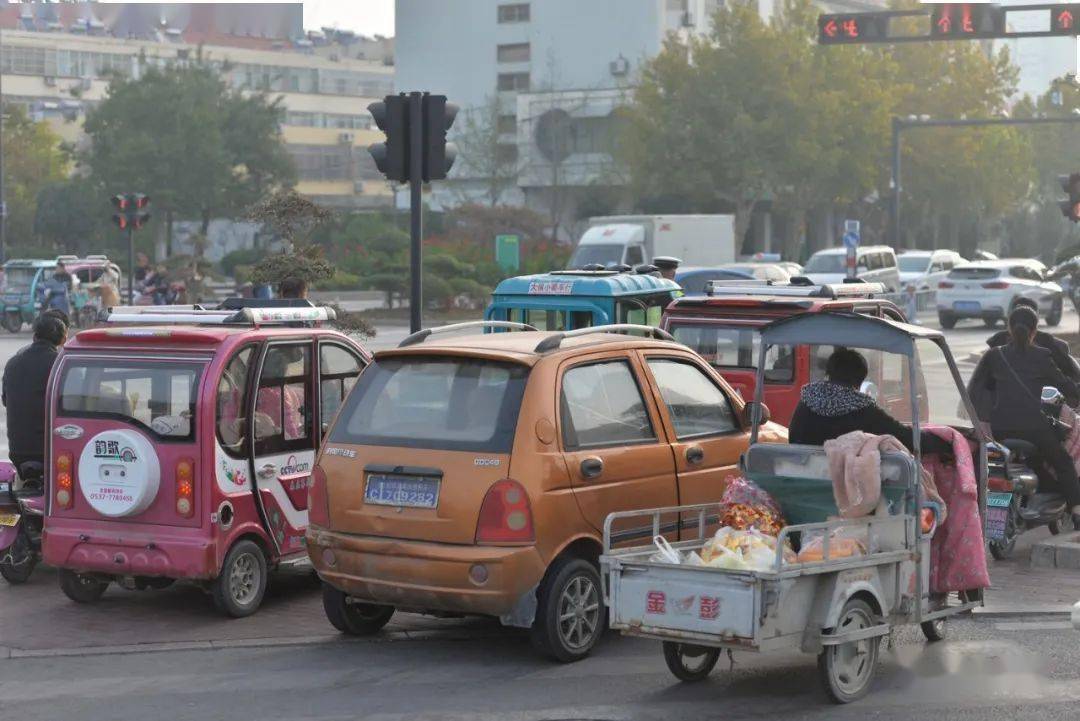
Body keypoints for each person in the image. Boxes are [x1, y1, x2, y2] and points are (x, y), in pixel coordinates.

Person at [969, 306, 1080, 525]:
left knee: (995, 466)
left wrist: (987, 414)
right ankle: (1077, 510)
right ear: (1034, 330)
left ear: (1009, 328)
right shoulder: (1042, 356)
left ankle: (994, 512)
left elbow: (974, 391)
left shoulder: (994, 355)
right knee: (1063, 463)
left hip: (1000, 430)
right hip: (1036, 430)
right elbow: (1066, 386)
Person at [789, 347, 952, 455]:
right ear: (860, 380)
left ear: (829, 373)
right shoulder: (862, 409)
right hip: (849, 486)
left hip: (804, 479)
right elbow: (906, 438)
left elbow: (793, 438)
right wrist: (948, 442)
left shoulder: (806, 402)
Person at [2, 314, 67, 471]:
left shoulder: (13, 363)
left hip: (17, 452)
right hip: (51, 452)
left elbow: (5, 400)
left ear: (34, 337)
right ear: (63, 340)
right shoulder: (60, 364)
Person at [985, 298, 1080, 382]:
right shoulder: (1048, 349)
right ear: (1036, 324)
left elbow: (981, 386)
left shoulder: (996, 347)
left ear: (1009, 324)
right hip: (1041, 396)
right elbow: (1070, 381)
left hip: (1003, 397)